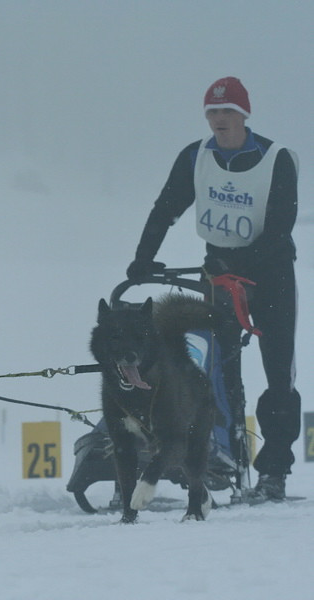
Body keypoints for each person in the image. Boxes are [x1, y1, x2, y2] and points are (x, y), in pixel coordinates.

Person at [126, 76, 300, 501]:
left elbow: (280, 226)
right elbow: (167, 206)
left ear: (244, 116)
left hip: (272, 276)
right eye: (212, 113)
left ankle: (273, 471)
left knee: (278, 373)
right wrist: (143, 258)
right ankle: (225, 457)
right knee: (221, 371)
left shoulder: (276, 158)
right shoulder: (196, 157)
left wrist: (240, 265)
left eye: (227, 112)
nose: (219, 120)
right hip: (220, 275)